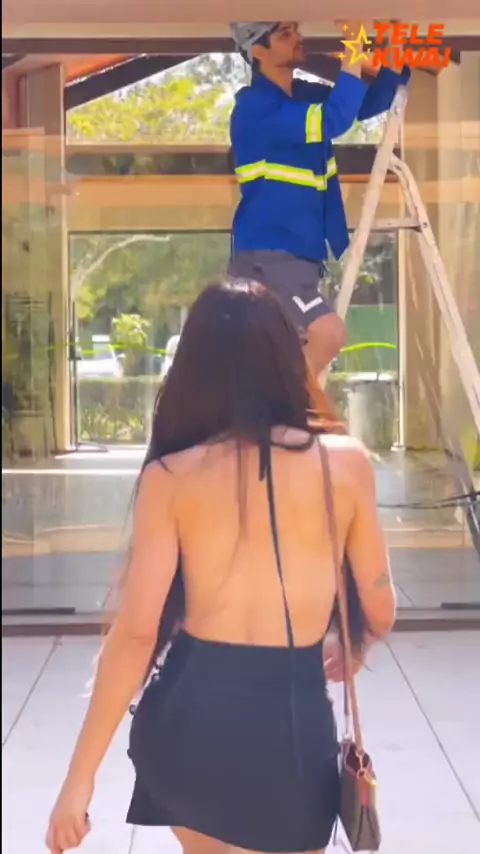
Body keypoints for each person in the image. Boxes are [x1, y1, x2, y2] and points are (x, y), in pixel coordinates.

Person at [46, 281, 395, 854]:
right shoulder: (347, 465)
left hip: (188, 726)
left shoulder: (172, 477)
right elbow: (379, 607)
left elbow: (136, 635)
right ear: (287, 360)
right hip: (291, 731)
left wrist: (78, 780)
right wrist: (352, 643)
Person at [228, 20, 411, 380]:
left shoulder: (303, 96)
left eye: (295, 30)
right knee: (327, 333)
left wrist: (395, 52)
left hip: (297, 254)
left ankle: (282, 407)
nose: (299, 37)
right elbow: (335, 118)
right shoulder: (254, 108)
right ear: (258, 51)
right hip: (270, 256)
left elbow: (365, 103)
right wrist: (355, 46)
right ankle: (288, 402)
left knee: (291, 352)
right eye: (285, 34)